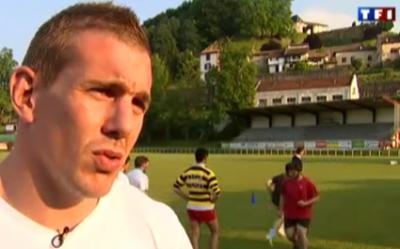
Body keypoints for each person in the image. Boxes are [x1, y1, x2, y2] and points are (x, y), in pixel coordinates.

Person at [0, 3, 192, 249]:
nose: (123, 125)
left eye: (138, 103)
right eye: (103, 91)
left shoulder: (160, 231)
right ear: (27, 94)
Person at [173, 148, 221, 249]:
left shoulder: (188, 171)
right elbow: (217, 192)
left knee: (195, 233)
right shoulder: (208, 173)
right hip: (206, 208)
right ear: (205, 158)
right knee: (215, 231)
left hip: (192, 207)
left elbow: (176, 187)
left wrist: (186, 197)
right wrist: (213, 199)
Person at [279, 162, 319, 249]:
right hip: (289, 214)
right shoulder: (286, 183)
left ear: (299, 171)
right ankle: (298, 245)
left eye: (293, 172)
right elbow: (282, 196)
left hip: (304, 214)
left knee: (301, 232)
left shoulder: (307, 182)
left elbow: (316, 197)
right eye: (289, 172)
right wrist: (280, 209)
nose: (290, 174)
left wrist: (305, 203)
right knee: (290, 235)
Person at [265, 165, 289, 246]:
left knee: (282, 218)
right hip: (282, 200)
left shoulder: (280, 176)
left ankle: (270, 235)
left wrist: (270, 191)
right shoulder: (290, 179)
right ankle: (281, 229)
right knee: (286, 216)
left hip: (275, 199)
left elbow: (268, 182)